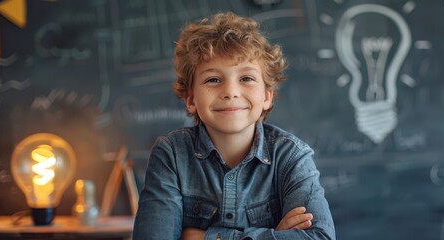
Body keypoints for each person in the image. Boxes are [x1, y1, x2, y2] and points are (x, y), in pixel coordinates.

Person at [132, 11, 335, 240]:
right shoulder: (172, 154)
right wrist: (274, 236)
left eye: (246, 78)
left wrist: (202, 237)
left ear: (267, 97)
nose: (230, 92)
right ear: (191, 100)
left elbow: (320, 237)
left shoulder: (291, 156)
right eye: (213, 80)